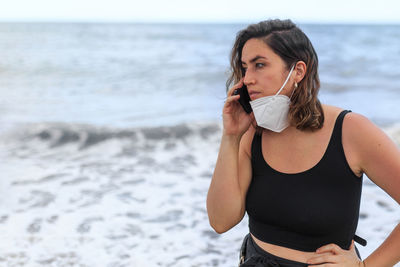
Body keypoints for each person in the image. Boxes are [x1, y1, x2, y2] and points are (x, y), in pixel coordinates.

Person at [206, 19, 400, 267]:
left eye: (260, 65)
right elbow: (221, 221)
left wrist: (365, 266)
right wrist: (230, 137)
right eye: (245, 67)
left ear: (298, 70)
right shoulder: (252, 133)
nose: (247, 79)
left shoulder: (351, 131)